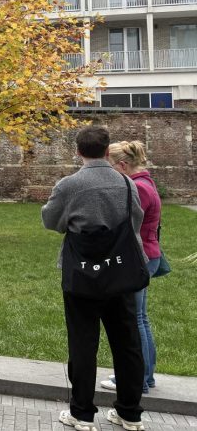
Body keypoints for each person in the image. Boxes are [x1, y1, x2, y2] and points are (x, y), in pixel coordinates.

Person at [42, 125, 145, 431]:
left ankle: (83, 413)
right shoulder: (127, 183)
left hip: (82, 274)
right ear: (106, 149)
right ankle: (130, 413)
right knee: (127, 342)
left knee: (83, 343)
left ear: (78, 150)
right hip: (121, 270)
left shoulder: (69, 185)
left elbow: (51, 220)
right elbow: (135, 220)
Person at [101, 140, 162, 396]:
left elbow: (125, 225)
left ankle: (136, 377)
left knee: (133, 319)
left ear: (123, 165)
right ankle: (144, 376)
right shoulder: (145, 183)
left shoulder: (138, 189)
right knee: (140, 318)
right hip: (147, 255)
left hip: (139, 257)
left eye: (111, 167)